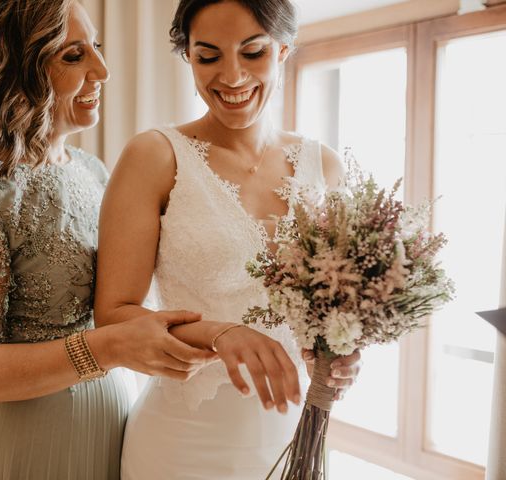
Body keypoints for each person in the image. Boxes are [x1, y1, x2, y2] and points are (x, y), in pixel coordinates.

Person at [0, 1, 215, 479]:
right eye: (74, 56)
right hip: (35, 442)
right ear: (18, 68)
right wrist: (105, 350)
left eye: (97, 48)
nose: (102, 70)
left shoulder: (93, 172)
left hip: (118, 423)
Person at [94, 0, 362, 478]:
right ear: (189, 58)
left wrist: (340, 355)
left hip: (296, 437)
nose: (232, 77)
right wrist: (223, 333)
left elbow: (334, 311)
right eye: (209, 56)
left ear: (282, 49)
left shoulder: (324, 166)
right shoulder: (154, 156)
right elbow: (115, 314)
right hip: (183, 442)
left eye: (253, 52)